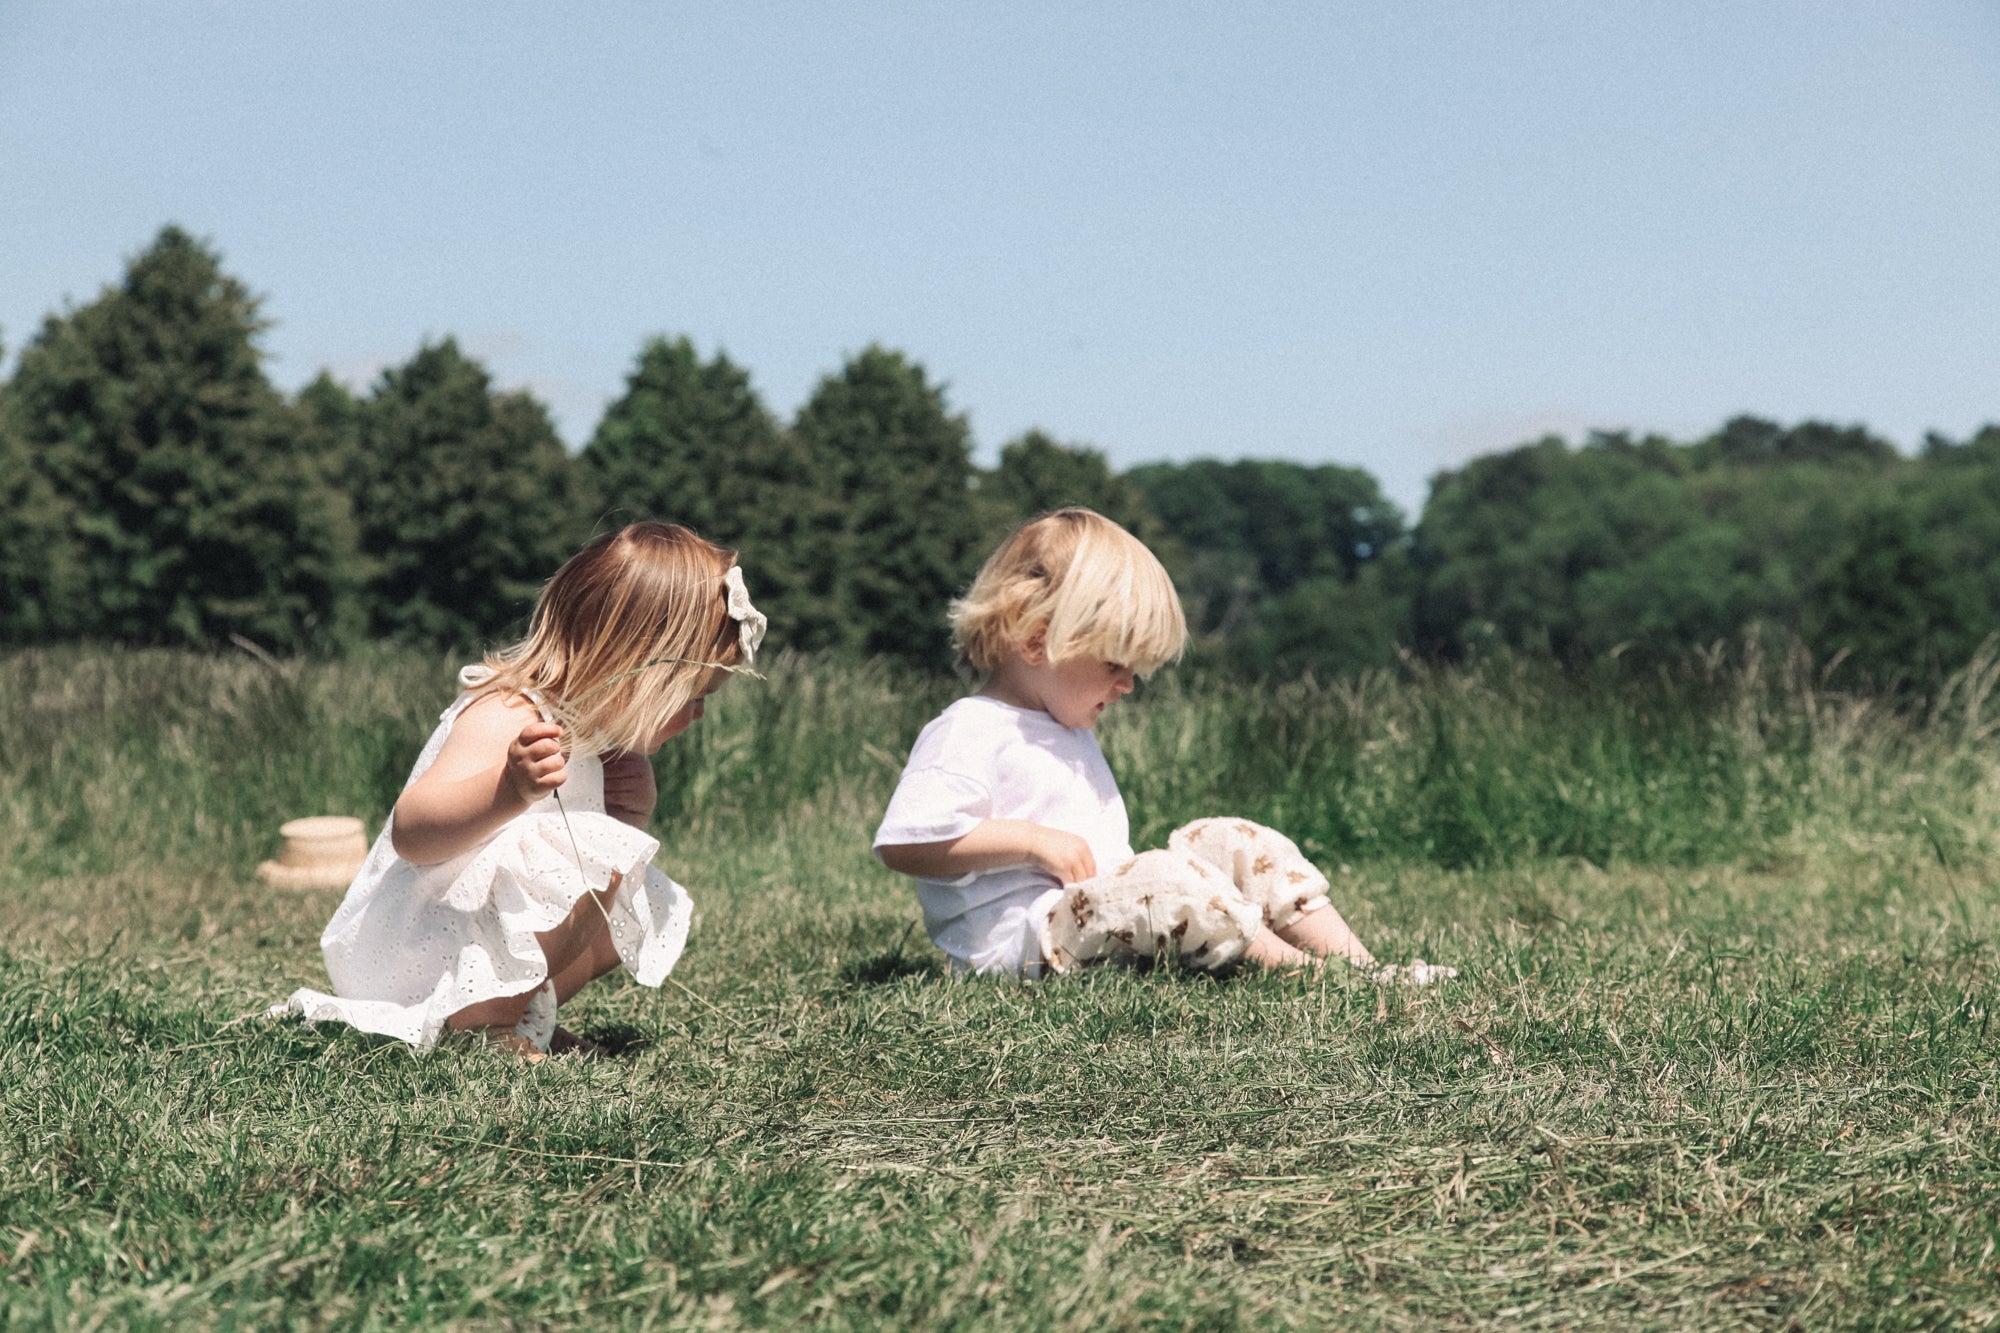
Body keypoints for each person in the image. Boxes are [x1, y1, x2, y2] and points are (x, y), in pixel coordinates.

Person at [873, 508, 1451, 983]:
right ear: (1034, 641)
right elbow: (907, 844)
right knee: (1164, 879)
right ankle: (1317, 980)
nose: (1126, 685)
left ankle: (1367, 967)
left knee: (1230, 840)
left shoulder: (1068, 730)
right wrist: (1030, 842)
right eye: (1114, 664)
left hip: (1092, 917)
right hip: (1022, 949)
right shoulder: (971, 729)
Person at [275, 522, 766, 1059]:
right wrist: (507, 790)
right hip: (414, 950)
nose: (697, 715)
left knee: (624, 886)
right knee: (594, 867)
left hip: (466, 946)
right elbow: (412, 833)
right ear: (632, 667)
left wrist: (628, 815)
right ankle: (484, 1028)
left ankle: (521, 1015)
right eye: (693, 695)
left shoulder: (598, 746)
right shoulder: (508, 711)